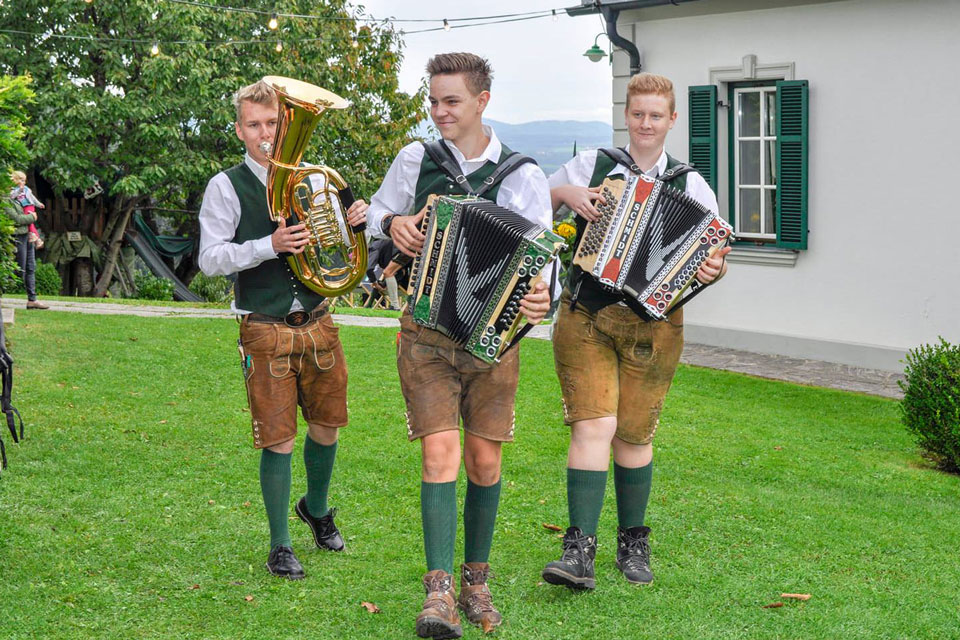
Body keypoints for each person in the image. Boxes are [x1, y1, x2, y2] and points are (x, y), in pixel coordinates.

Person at [367, 52, 553, 638]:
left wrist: (542, 297)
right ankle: (438, 592)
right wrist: (392, 222)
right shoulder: (415, 158)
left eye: (450, 101)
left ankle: (477, 579)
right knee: (439, 456)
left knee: (484, 460)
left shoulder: (521, 175)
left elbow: (544, 263)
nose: (438, 111)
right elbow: (374, 214)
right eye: (433, 100)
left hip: (492, 342)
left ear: (481, 102)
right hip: (424, 336)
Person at [541, 72, 730, 590]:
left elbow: (711, 253)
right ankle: (578, 549)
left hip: (655, 325)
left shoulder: (691, 184)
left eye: (656, 115)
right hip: (587, 314)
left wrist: (714, 268)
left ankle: (632, 543)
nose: (646, 123)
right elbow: (543, 197)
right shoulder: (594, 165)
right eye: (637, 113)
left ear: (672, 121)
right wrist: (569, 193)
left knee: (633, 435)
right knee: (592, 426)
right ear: (626, 116)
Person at [198, 80, 368, 580]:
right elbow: (209, 259)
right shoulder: (226, 185)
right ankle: (280, 544)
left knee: (328, 426)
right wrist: (267, 244)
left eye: (273, 123)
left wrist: (357, 220)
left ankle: (315, 508)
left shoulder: (312, 182)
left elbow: (340, 247)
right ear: (239, 130)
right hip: (265, 326)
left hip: (319, 321)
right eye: (254, 125)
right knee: (278, 438)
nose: (266, 134)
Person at [4, 174, 47, 310]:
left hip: (26, 235)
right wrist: (32, 217)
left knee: (30, 267)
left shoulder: (22, 196)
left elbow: (30, 204)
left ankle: (32, 300)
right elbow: (16, 219)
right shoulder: (6, 200)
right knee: (19, 269)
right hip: (17, 236)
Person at [9, 170, 44, 248]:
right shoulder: (13, 190)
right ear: (15, 180)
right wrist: (20, 190)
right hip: (23, 206)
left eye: (24, 181)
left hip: (29, 205)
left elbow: (32, 197)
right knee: (29, 221)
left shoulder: (26, 189)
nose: (24, 182)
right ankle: (35, 237)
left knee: (30, 221)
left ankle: (35, 236)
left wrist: (38, 204)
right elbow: (12, 196)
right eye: (22, 180)